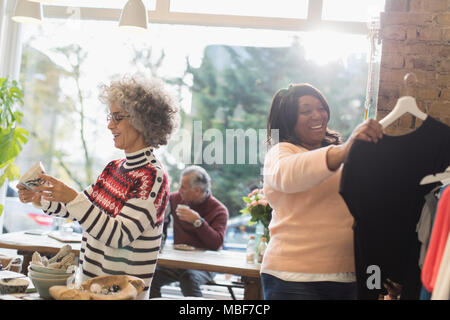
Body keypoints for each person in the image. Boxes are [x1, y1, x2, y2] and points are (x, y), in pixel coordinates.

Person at [17, 74, 179, 300]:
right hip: (90, 290)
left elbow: (118, 235)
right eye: (110, 116)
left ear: (141, 120)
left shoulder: (152, 177)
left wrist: (73, 198)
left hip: (121, 295)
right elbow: (78, 209)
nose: (109, 124)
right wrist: (39, 197)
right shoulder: (114, 168)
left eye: (117, 117)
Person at [261, 83, 384, 300]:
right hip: (293, 278)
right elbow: (290, 175)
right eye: (306, 111)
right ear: (288, 119)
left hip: (348, 277)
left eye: (321, 108)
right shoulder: (281, 153)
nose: (318, 115)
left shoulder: (340, 156)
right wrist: (344, 151)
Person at [150, 165, 229, 298]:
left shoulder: (219, 211)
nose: (179, 190)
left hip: (205, 265)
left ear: (197, 190)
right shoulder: (175, 199)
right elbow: (160, 224)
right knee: (151, 275)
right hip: (178, 262)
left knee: (189, 278)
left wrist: (198, 222)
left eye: (183, 187)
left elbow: (216, 244)